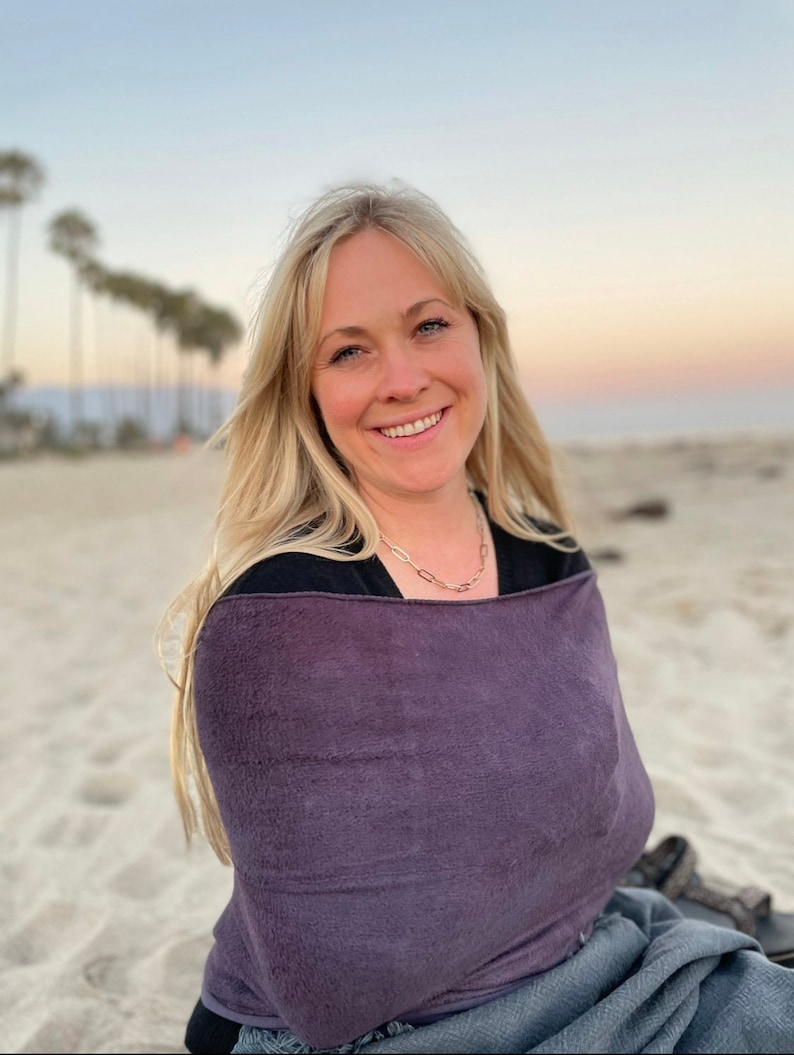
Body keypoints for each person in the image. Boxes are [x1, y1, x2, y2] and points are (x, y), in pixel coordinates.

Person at [160, 182, 794, 1055]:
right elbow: (337, 976)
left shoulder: (548, 560)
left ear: (479, 336)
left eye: (428, 325)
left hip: (595, 953)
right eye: (349, 351)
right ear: (305, 390)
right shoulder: (277, 622)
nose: (404, 378)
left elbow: (610, 821)